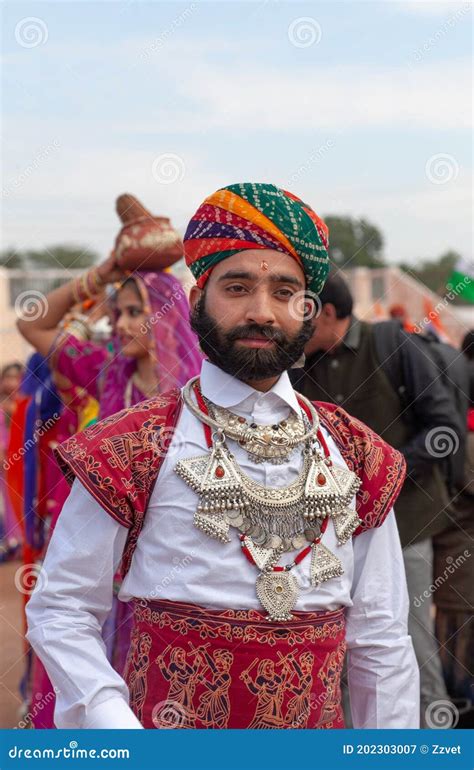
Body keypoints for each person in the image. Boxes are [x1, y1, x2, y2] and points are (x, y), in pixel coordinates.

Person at [26, 182, 418, 729]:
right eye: (237, 287)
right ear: (195, 301)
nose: (261, 311)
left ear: (307, 309)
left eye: (284, 292)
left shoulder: (357, 454)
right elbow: (62, 608)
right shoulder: (132, 443)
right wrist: (119, 731)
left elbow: (381, 639)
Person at [292, 271, 463, 727]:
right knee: (343, 651)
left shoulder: (393, 346)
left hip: (404, 526)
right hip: (329, 540)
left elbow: (443, 428)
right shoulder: (297, 368)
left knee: (407, 644)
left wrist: (381, 473)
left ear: (325, 313)